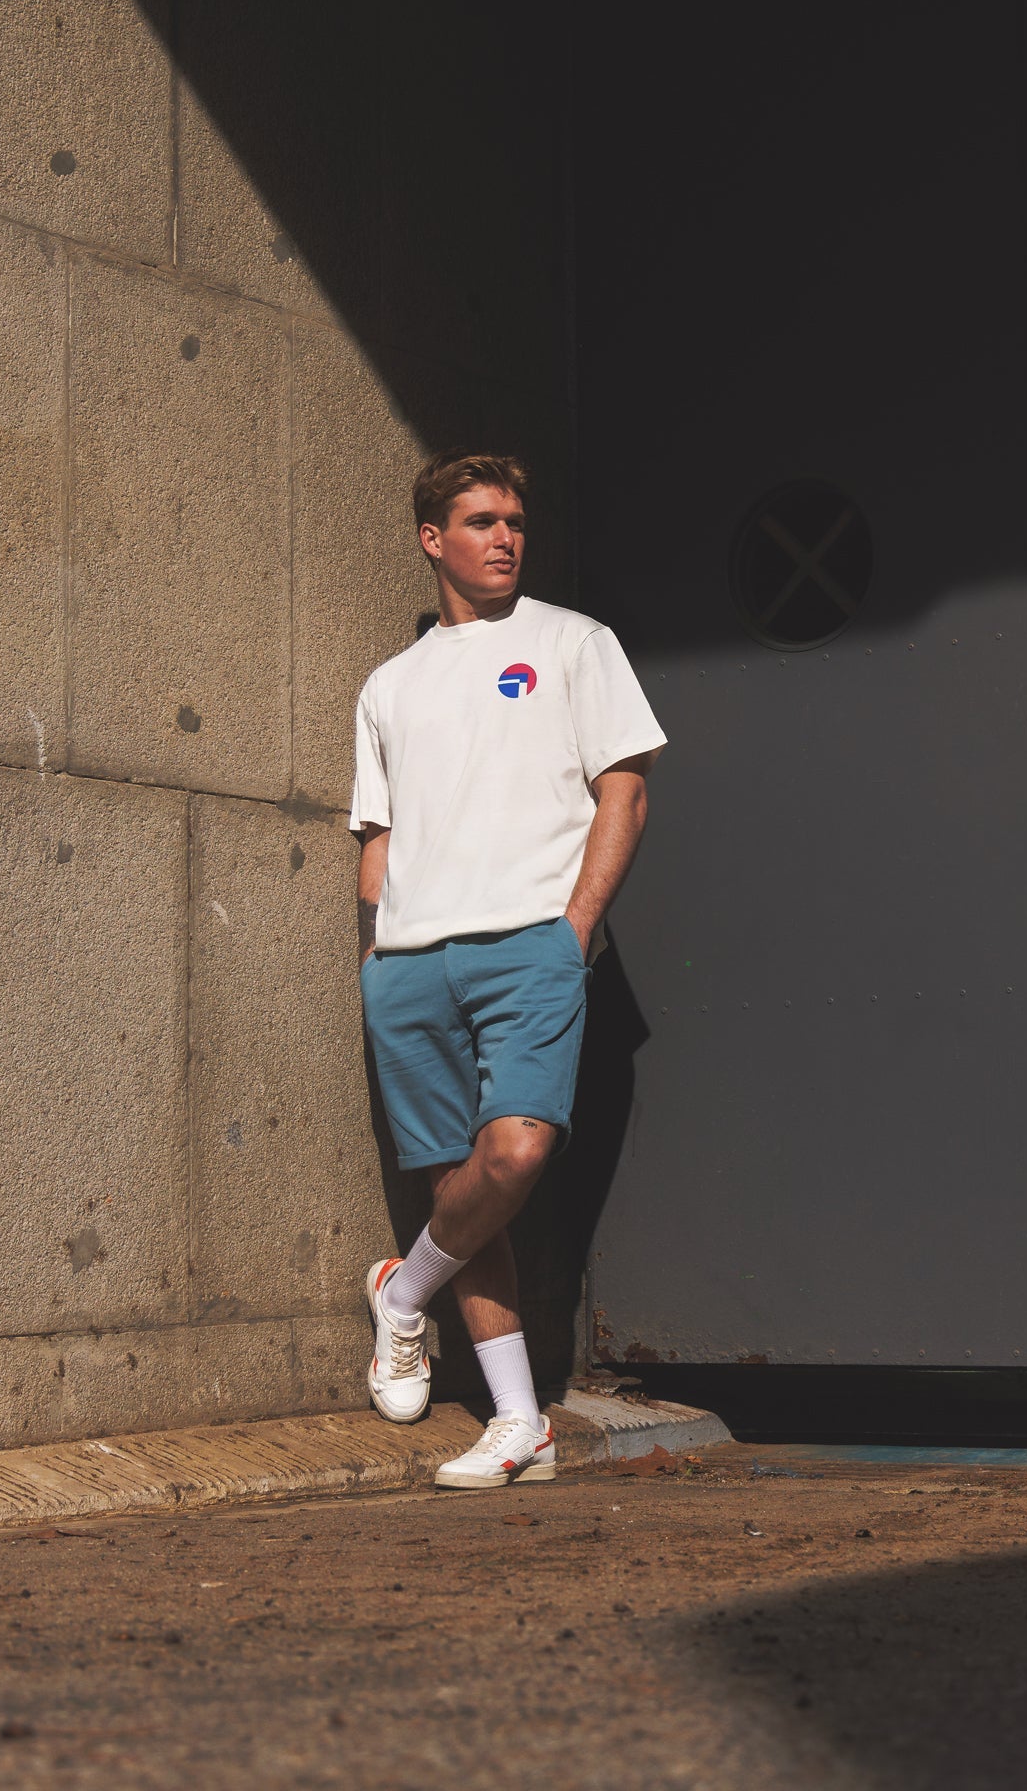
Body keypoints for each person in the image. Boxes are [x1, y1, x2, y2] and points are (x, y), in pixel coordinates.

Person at [351, 450, 665, 1490]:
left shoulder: (573, 642)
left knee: (515, 1155)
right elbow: (377, 836)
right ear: (432, 540)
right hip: (408, 964)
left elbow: (625, 791)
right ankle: (520, 1421)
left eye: (516, 522)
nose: (506, 538)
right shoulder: (389, 685)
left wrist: (573, 931)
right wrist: (378, 950)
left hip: (532, 943)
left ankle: (402, 1295)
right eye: (482, 521)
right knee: (457, 1182)